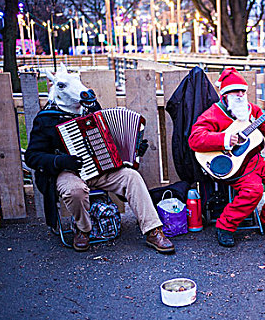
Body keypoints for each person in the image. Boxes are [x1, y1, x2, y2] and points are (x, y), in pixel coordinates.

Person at [25, 65, 174, 253]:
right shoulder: (46, 119)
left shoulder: (91, 110)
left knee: (132, 177)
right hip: (68, 172)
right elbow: (32, 156)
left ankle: (152, 230)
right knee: (74, 191)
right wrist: (59, 161)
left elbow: (110, 140)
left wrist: (134, 148)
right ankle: (83, 229)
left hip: (100, 168)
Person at [188, 67, 265, 247]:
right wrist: (225, 139)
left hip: (255, 161)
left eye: (243, 91)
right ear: (225, 94)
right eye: (235, 91)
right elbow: (195, 140)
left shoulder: (251, 110)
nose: (240, 94)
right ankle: (225, 226)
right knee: (253, 191)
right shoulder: (213, 114)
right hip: (234, 166)